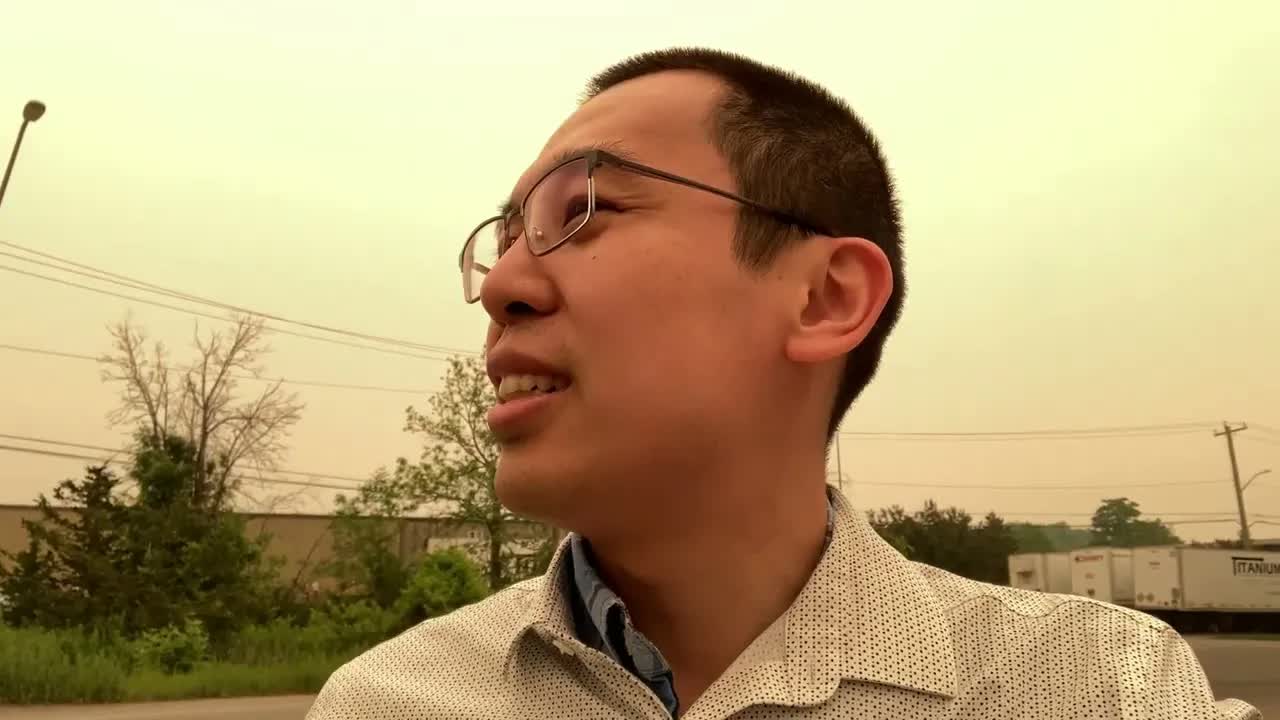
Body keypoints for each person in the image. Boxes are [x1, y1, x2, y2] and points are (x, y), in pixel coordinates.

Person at [307, 48, 1259, 720]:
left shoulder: (1095, 687)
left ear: (824, 299)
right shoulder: (387, 703)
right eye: (507, 238)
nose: (502, 287)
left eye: (581, 209)